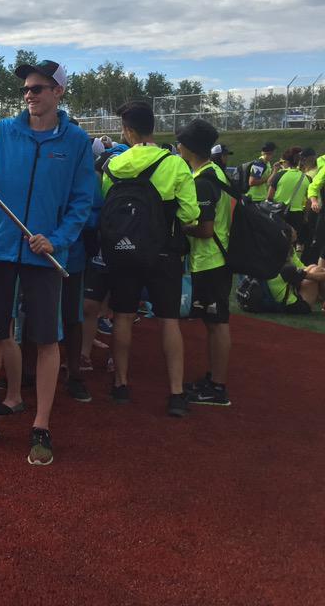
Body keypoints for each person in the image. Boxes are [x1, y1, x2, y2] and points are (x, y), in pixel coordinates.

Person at [0, 60, 93, 465]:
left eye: (39, 88)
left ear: (58, 92)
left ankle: (41, 425)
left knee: (46, 339)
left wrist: (57, 240)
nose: (30, 94)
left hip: (44, 253)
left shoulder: (76, 142)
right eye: (27, 88)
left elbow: (81, 202)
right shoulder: (4, 131)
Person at [100, 101, 198, 417]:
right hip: (164, 254)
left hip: (123, 253)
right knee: (169, 321)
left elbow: (106, 208)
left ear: (127, 130)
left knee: (123, 316)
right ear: (153, 127)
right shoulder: (174, 164)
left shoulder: (114, 165)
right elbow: (191, 216)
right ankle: (176, 393)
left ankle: (121, 384)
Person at [177, 119, 233, 407]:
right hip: (217, 259)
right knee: (214, 322)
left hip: (211, 260)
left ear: (188, 147)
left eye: (180, 142)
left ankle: (218, 387)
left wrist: (182, 226)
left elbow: (205, 229)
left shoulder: (203, 182)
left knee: (217, 323)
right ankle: (213, 380)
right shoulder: (215, 173)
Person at [267, 146, 310, 248]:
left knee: (277, 242)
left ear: (287, 161)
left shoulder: (280, 175)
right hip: (297, 214)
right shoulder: (306, 178)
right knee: (291, 244)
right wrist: (305, 216)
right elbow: (309, 201)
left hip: (278, 212)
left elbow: (269, 197)